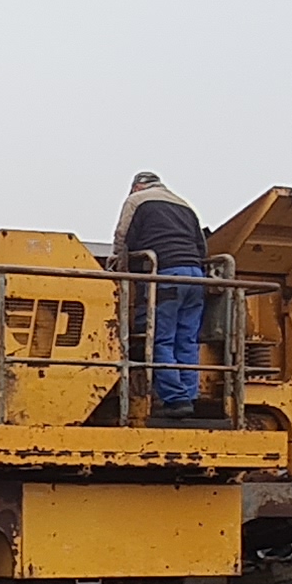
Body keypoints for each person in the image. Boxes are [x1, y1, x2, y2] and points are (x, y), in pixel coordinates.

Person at [111, 171, 206, 412]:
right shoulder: (184, 204)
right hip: (195, 275)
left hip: (166, 274)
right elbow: (201, 246)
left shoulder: (136, 200)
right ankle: (189, 395)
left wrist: (118, 271)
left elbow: (123, 239)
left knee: (160, 338)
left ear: (137, 187)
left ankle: (176, 398)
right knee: (187, 339)